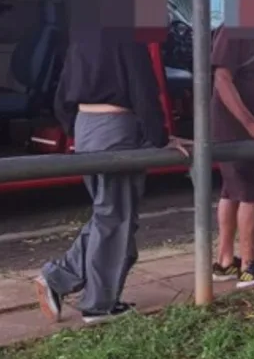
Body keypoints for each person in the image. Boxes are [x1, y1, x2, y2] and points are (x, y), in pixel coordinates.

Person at [35, 31, 188, 324]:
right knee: (115, 216)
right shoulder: (128, 38)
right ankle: (95, 303)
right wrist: (159, 137)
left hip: (85, 127)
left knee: (109, 213)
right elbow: (144, 91)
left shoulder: (82, 39)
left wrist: (75, 128)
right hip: (116, 127)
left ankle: (63, 278)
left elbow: (61, 93)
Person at [210, 31, 254, 288]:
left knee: (232, 192)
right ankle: (248, 267)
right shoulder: (236, 29)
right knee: (251, 191)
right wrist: (249, 124)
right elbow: (222, 78)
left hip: (244, 133)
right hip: (237, 133)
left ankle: (226, 260)